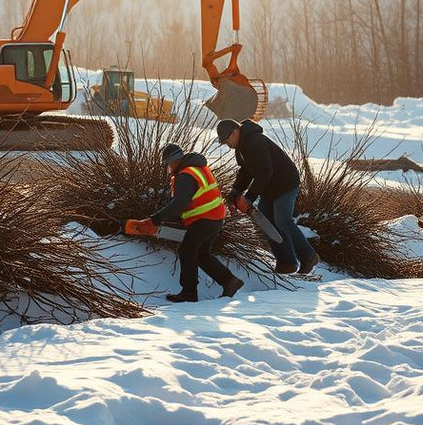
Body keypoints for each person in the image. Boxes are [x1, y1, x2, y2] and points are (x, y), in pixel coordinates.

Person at [133, 143, 244, 302]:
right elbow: (190, 202)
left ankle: (189, 293)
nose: (168, 168)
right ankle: (230, 281)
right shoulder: (196, 168)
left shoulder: (185, 175)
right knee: (201, 254)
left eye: (169, 164)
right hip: (215, 218)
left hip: (205, 219)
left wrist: (154, 220)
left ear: (175, 160)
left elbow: (180, 203)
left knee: (186, 250)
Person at [217, 118, 318, 276]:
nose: (227, 145)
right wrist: (235, 192)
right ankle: (287, 262)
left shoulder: (256, 142)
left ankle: (308, 256)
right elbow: (245, 172)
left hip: (285, 183)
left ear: (235, 132)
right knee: (267, 223)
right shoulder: (241, 149)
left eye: (227, 140)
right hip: (269, 188)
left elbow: (265, 171)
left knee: (282, 220)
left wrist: (249, 197)